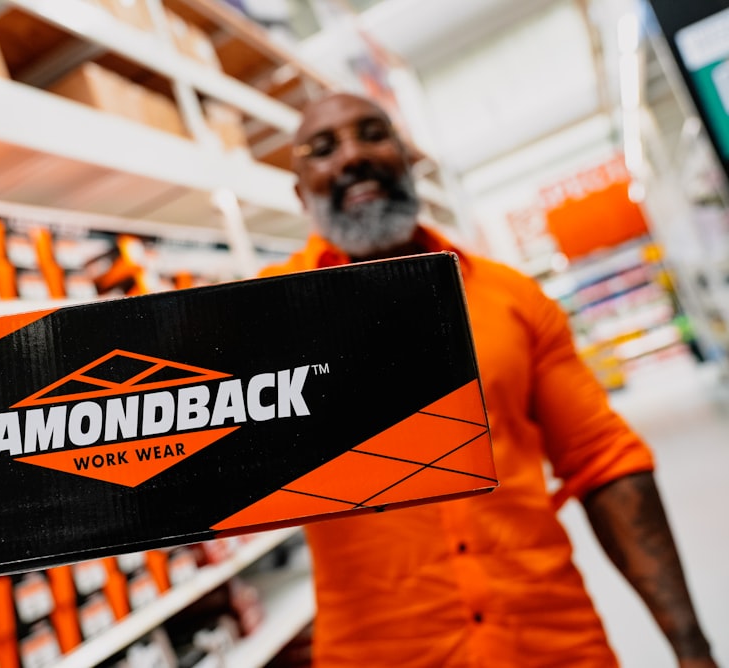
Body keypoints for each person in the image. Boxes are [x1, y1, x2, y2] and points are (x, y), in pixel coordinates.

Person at [258, 92, 718, 667]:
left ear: (406, 159)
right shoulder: (262, 325)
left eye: (372, 135)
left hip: (553, 645)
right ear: (301, 191)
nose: (352, 156)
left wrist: (691, 648)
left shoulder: (511, 297)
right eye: (323, 149)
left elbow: (603, 459)